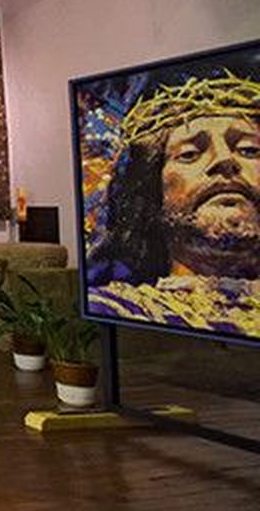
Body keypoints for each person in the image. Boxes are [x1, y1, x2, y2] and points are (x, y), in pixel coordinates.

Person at [88, 72, 260, 337]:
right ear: (152, 192)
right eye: (189, 154)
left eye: (249, 150)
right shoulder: (114, 309)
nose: (225, 160)